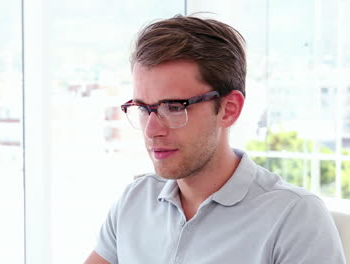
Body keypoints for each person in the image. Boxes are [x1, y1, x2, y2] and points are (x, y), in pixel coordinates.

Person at [84, 15, 345, 264]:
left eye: (174, 107)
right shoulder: (135, 200)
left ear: (229, 109)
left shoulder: (295, 217)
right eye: (143, 108)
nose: (152, 130)